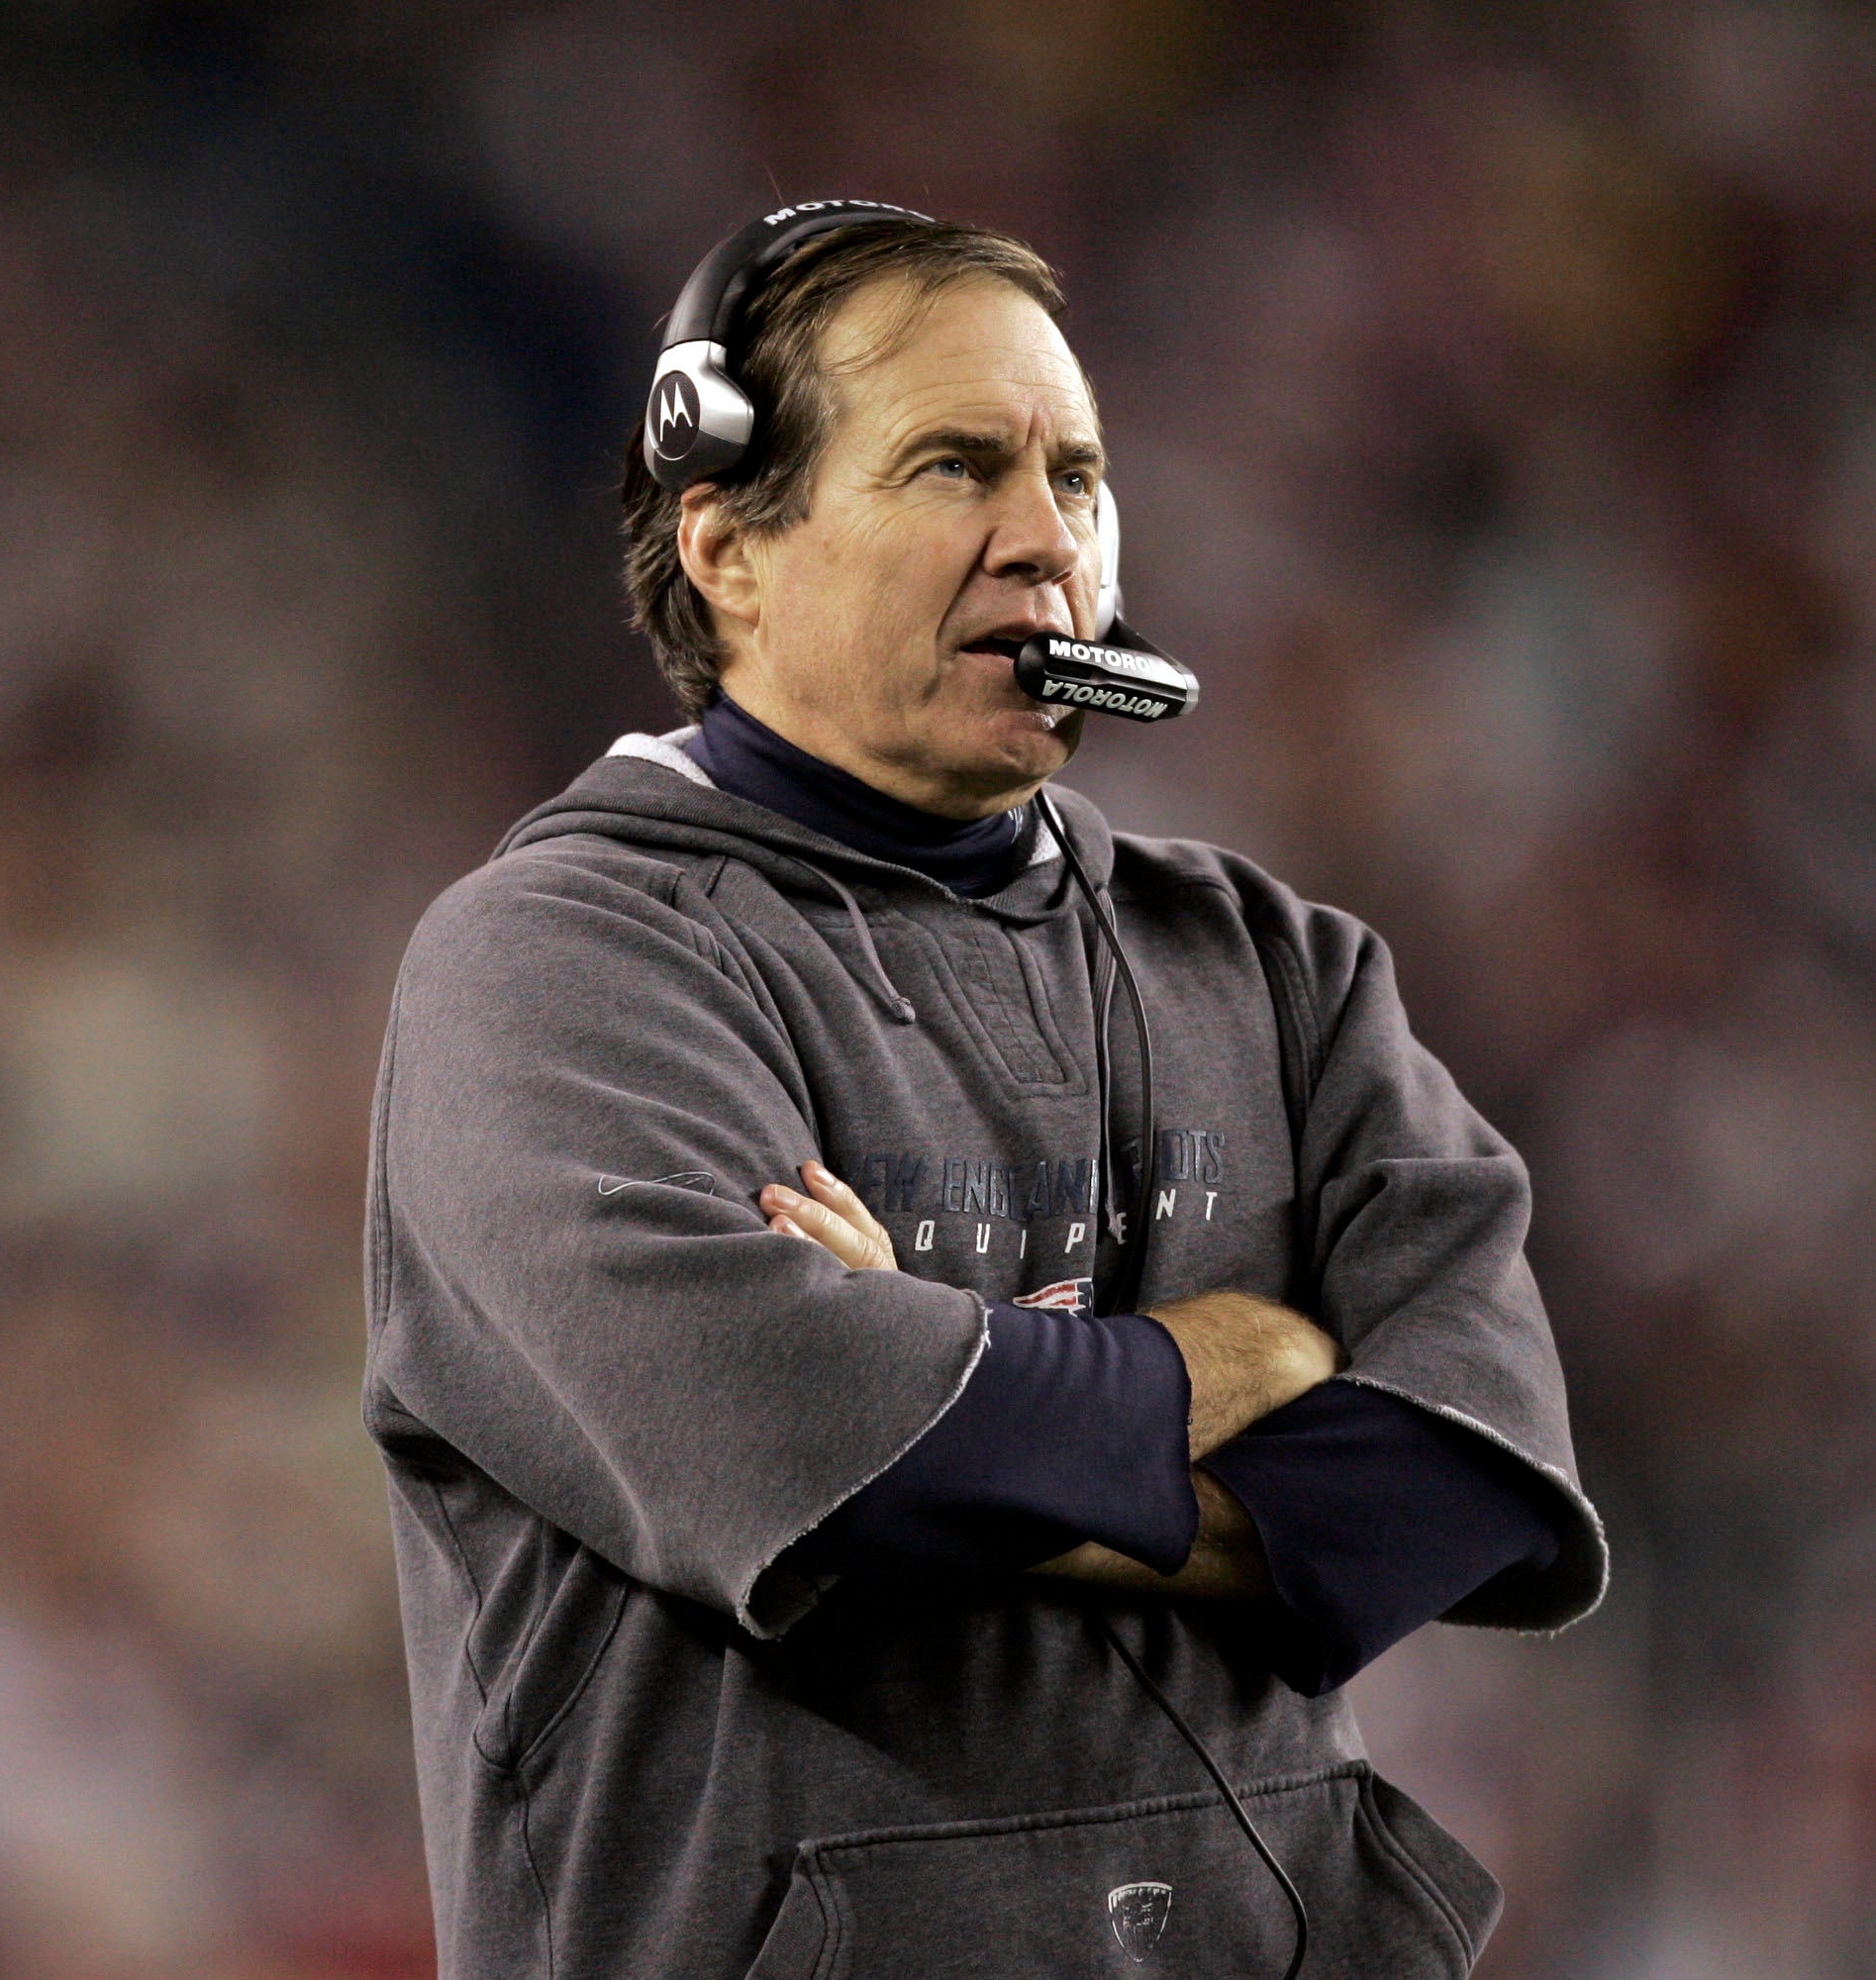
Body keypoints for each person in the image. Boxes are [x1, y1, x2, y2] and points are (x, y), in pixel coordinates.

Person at [362, 207, 1606, 1978]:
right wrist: (1230, 1369)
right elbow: (795, 1451)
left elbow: (1455, 1491)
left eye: (1077, 475)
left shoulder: (1276, 967)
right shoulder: (555, 970)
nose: (1048, 542)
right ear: (726, 541)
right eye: (955, 467)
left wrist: (942, 1382)